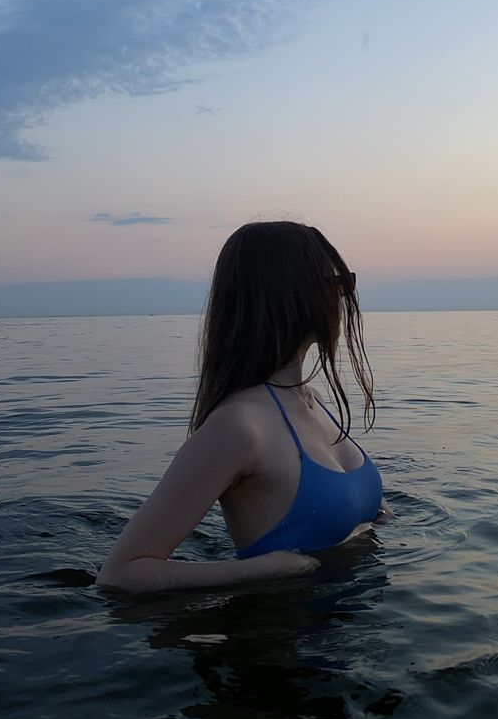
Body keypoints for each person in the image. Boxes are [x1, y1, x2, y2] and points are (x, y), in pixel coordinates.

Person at [97, 221, 386, 594]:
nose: (345, 298)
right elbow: (120, 573)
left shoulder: (310, 401)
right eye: (339, 283)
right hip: (277, 643)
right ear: (297, 294)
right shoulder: (239, 426)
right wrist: (259, 570)